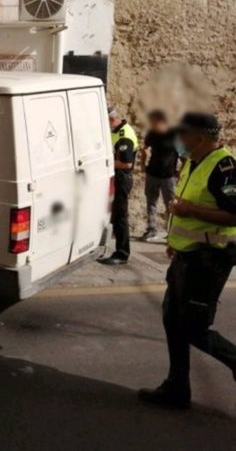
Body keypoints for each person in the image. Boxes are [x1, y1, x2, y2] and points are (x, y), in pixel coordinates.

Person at [139, 112, 236, 409]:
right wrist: (174, 242)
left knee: (193, 328)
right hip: (187, 255)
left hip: (210, 259)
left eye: (183, 135)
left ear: (200, 137)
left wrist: (190, 210)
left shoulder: (224, 167)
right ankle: (177, 387)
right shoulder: (194, 162)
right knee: (172, 318)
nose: (178, 140)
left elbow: (233, 213)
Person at [99, 107, 138, 265]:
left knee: (120, 216)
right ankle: (114, 249)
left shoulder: (124, 135)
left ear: (111, 120)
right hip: (114, 177)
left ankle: (122, 253)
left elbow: (126, 163)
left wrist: (103, 163)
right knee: (114, 215)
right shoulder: (115, 131)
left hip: (122, 178)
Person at [140, 109, 179, 241]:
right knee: (151, 202)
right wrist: (142, 164)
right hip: (152, 173)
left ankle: (172, 233)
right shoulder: (152, 133)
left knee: (171, 205)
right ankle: (152, 230)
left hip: (168, 176)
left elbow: (185, 157)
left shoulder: (175, 135)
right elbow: (144, 148)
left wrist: (180, 173)